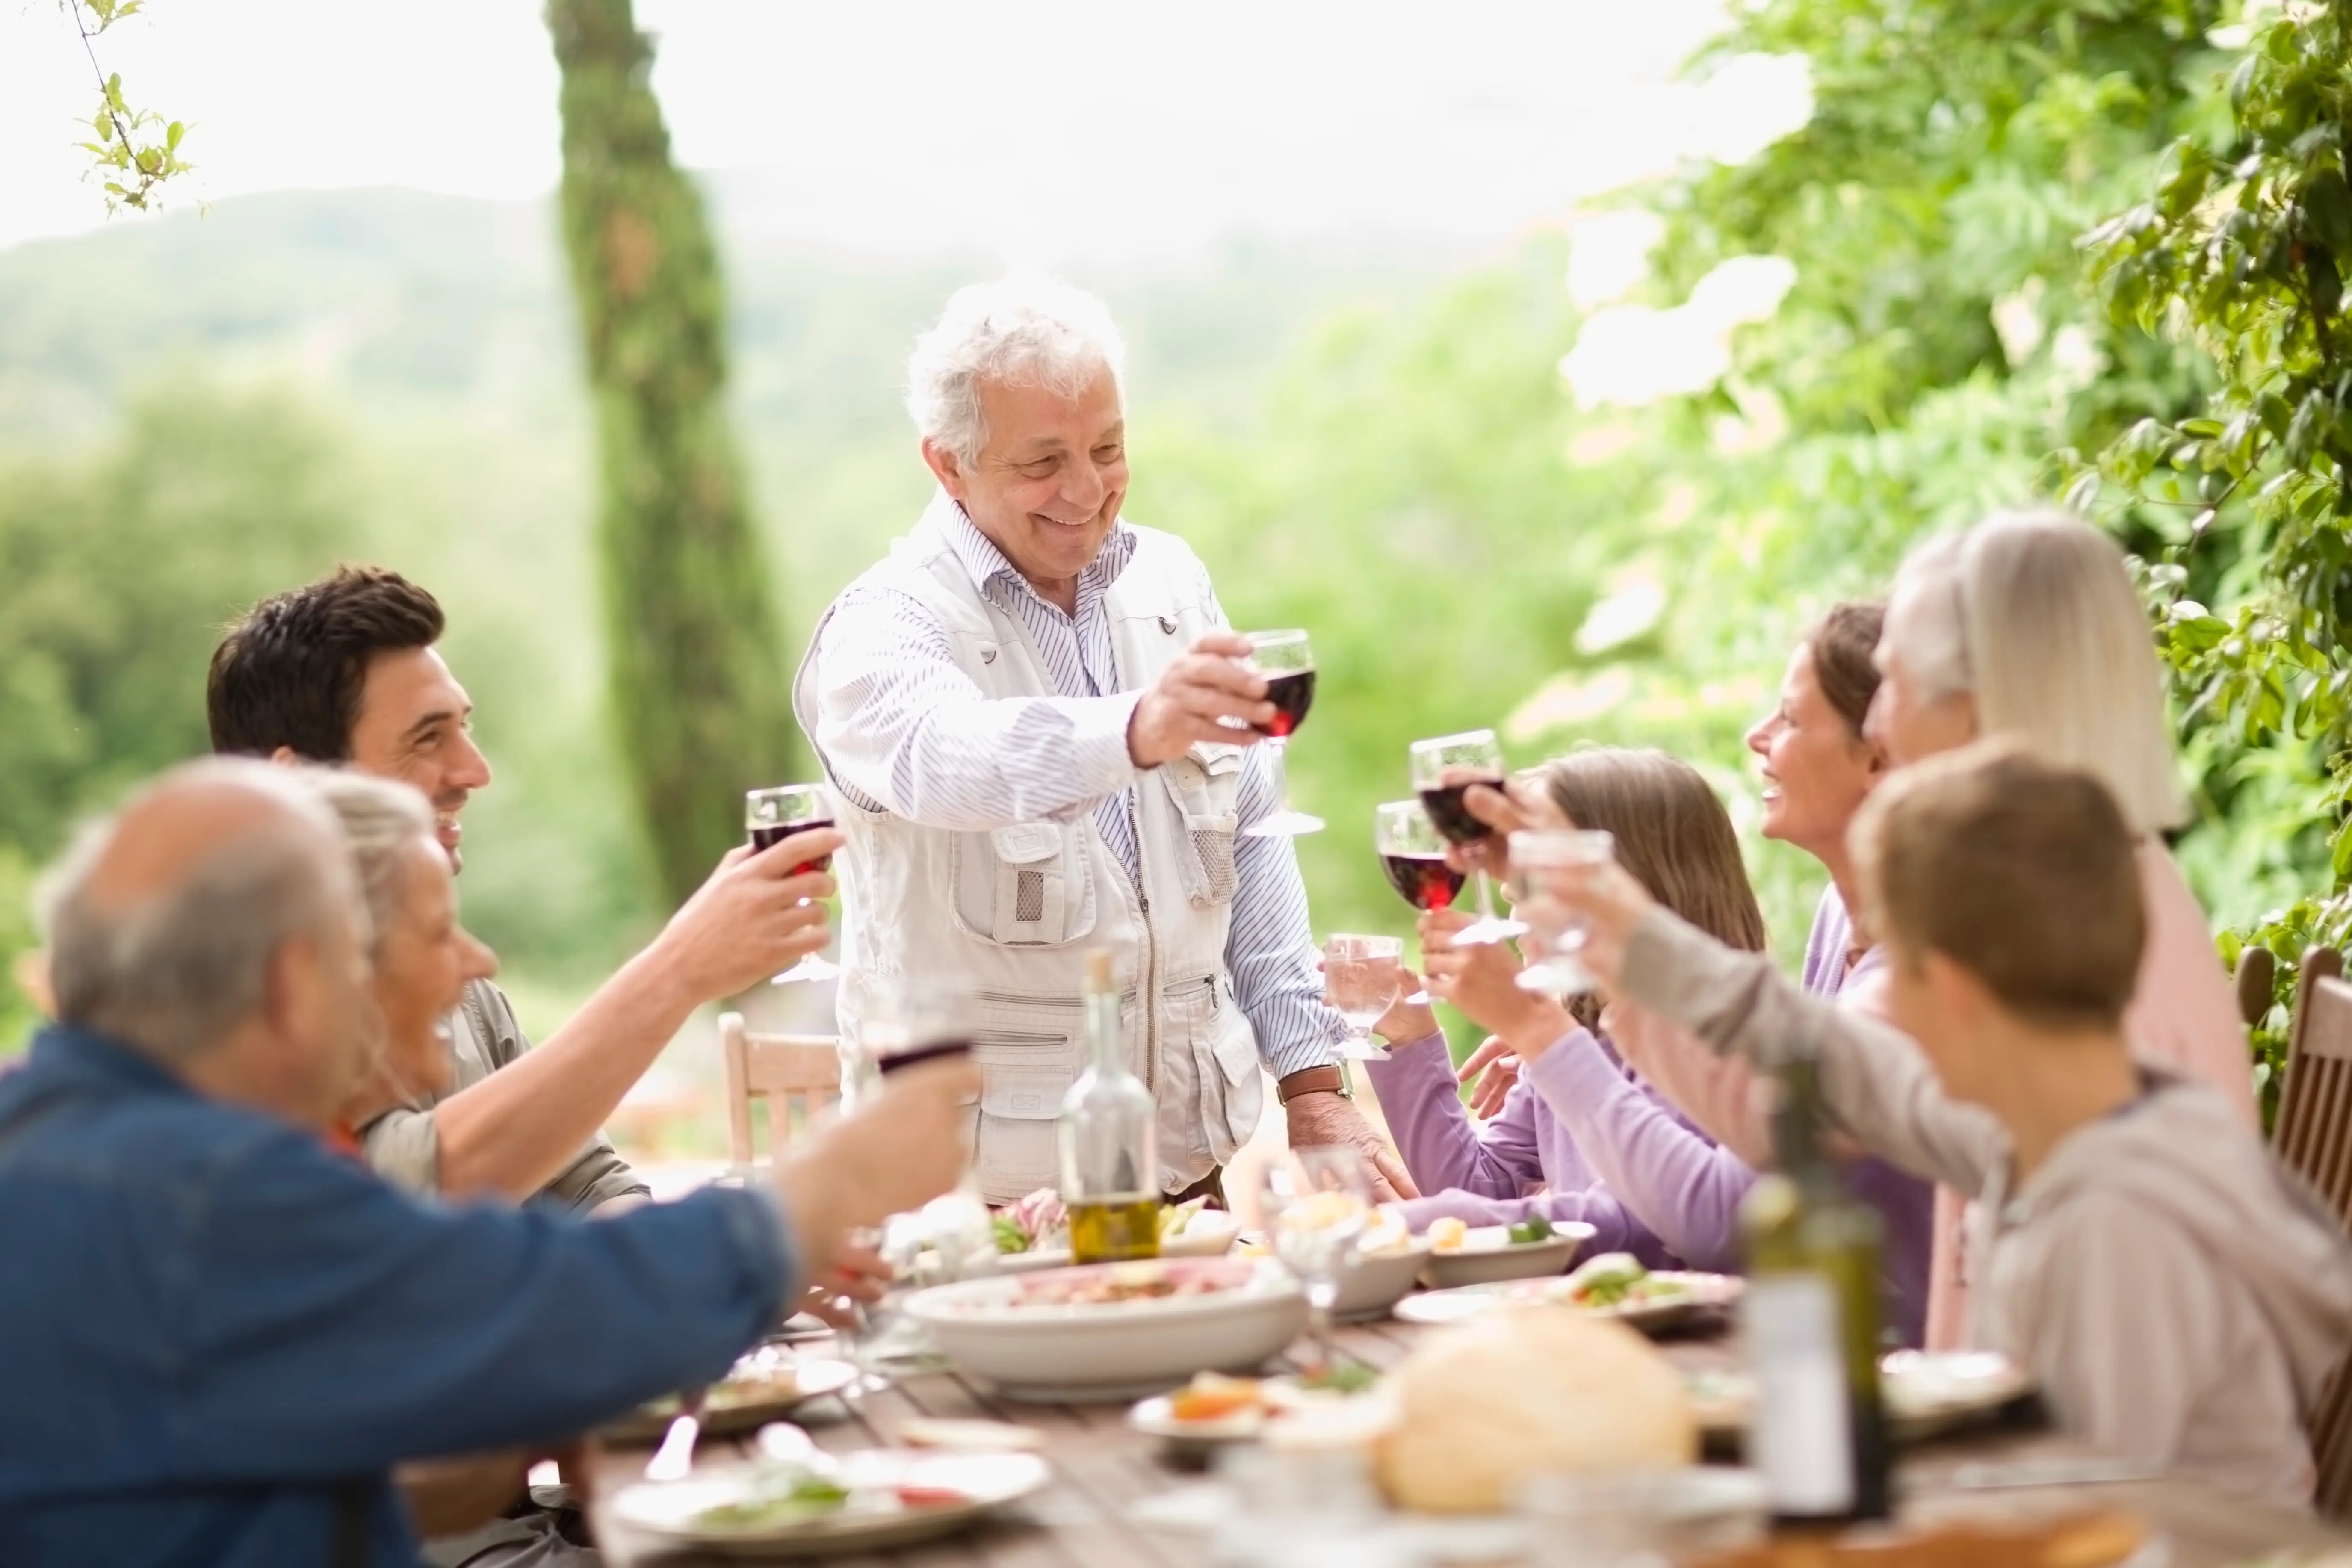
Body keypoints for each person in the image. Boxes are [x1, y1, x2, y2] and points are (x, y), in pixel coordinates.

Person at [0, 758, 978, 1567]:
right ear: (295, 983)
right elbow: (551, 1301)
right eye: (427, 934)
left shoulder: (67, 1140)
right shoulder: (192, 1191)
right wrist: (836, 1175)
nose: (475, 961)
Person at [1458, 510, 2259, 1348]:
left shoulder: (2049, 920)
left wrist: (1610, 935)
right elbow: (1796, 1105)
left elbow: (1792, 1117)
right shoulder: (2071, 877)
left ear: (1978, 706)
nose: (1877, 725)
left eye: (1896, 686)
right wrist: (1608, 939)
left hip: (2094, 1444)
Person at [1530, 743, 2352, 1507]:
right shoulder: (2045, 1126)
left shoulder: (2118, 1220)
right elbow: (1855, 1073)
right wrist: (1619, 935)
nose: (1862, 998)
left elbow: (2095, 1514)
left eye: (1885, 965)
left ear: (1949, 987)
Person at [792, 272, 1409, 1204]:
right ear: (947, 464)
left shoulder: (1171, 579)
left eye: (1108, 448)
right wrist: (1135, 727)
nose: (1087, 489)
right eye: (1042, 462)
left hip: (1187, 1182)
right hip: (971, 1205)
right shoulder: (883, 626)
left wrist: (1314, 1084)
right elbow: (945, 759)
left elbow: (1251, 841)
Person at [208, 566, 843, 1211]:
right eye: (427, 737)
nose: (474, 771)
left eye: (465, 726)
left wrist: (729, 1258)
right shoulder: (233, 1002)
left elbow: (591, 1186)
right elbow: (394, 1193)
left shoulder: (464, 991)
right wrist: (679, 968)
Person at [1364, 750, 1761, 1265]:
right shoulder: (1580, 1023)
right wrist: (1411, 1039)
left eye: (1533, 874)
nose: (1509, 897)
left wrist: (1433, 1224)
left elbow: (1638, 1219)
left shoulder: (1712, 1033)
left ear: (1631, 882)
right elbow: (1481, 1185)